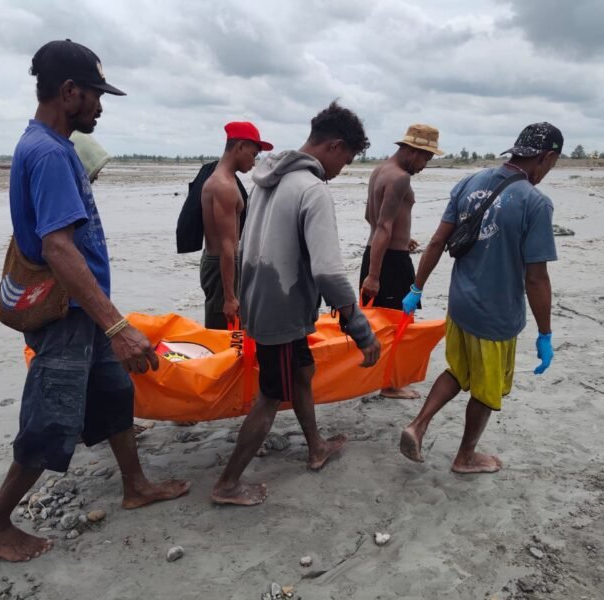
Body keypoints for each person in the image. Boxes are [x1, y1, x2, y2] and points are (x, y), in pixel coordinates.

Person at [0, 40, 190, 562]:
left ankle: (135, 485)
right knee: (51, 417)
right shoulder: (46, 153)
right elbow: (58, 247)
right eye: (94, 94)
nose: (100, 105)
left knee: (114, 394)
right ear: (68, 92)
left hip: (81, 313)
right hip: (66, 316)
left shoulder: (55, 147)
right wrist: (118, 327)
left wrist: (106, 323)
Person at [211, 101, 382, 506]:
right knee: (271, 394)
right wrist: (360, 330)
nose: (343, 169)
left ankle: (316, 446)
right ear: (336, 147)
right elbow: (328, 272)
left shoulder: (266, 179)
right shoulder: (312, 189)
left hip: (260, 297)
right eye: (349, 159)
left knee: (301, 369)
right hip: (281, 309)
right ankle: (228, 484)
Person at [400, 122, 563, 474]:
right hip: (496, 317)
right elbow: (536, 278)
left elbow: (436, 241)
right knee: (487, 389)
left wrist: (417, 288)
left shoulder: (470, 182)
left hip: (460, 306)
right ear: (547, 157)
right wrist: (545, 332)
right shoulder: (535, 204)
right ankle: (465, 457)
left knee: (458, 370)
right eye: (552, 164)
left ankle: (418, 425)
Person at [360, 124, 444, 399]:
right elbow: (384, 225)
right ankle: (390, 384)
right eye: (425, 158)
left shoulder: (379, 171)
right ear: (410, 150)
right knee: (399, 322)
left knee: (380, 320)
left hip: (375, 252)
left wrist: (401, 238)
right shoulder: (399, 178)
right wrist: (375, 275)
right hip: (389, 261)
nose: (424, 165)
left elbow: (370, 218)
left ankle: (382, 377)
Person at [201, 122, 273, 329]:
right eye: (253, 154)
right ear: (239, 147)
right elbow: (227, 244)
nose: (254, 162)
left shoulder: (225, 180)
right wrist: (230, 297)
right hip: (221, 266)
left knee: (231, 329)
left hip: (222, 264)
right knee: (223, 330)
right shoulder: (224, 186)